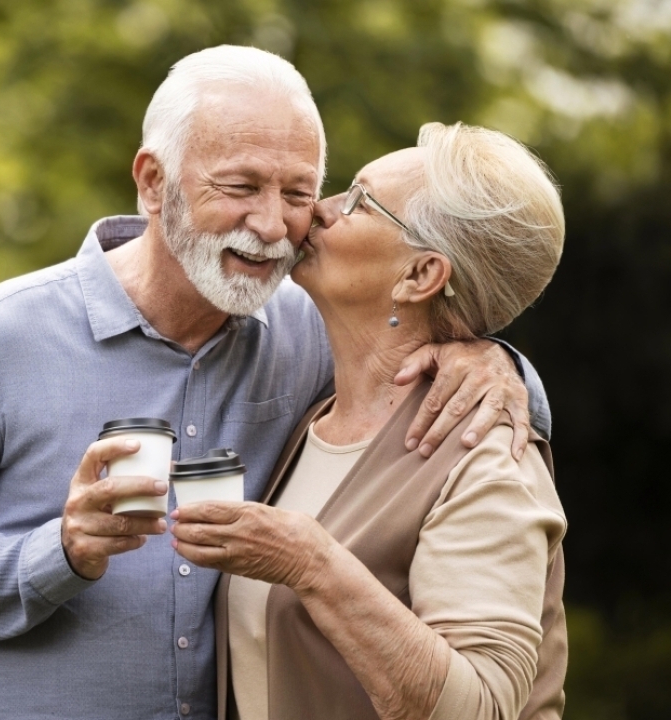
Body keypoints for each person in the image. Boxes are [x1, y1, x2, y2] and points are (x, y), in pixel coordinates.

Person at [0, 47, 549, 720]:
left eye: (299, 192)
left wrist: (496, 361)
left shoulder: (314, 333)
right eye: (240, 187)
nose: (273, 225)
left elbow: (427, 383)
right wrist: (57, 552)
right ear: (153, 182)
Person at [171, 121, 567, 720]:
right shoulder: (314, 416)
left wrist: (311, 562)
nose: (318, 212)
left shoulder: (488, 457)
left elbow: (485, 708)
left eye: (358, 200)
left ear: (420, 276)